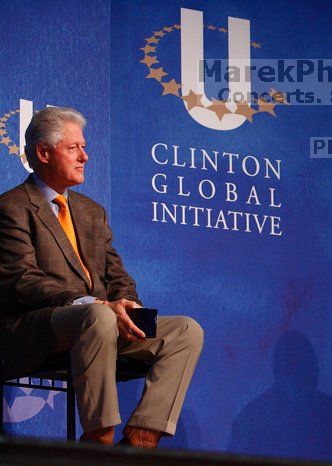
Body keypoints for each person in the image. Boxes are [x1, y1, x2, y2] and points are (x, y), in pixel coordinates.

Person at [0, 107, 204, 447]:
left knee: (185, 330)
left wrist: (126, 303)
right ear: (43, 153)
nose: (85, 156)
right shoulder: (12, 208)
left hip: (98, 323)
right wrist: (94, 304)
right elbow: (22, 279)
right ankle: (99, 438)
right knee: (98, 316)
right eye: (74, 148)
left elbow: (117, 274)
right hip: (36, 327)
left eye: (84, 147)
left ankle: (141, 438)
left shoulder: (90, 211)